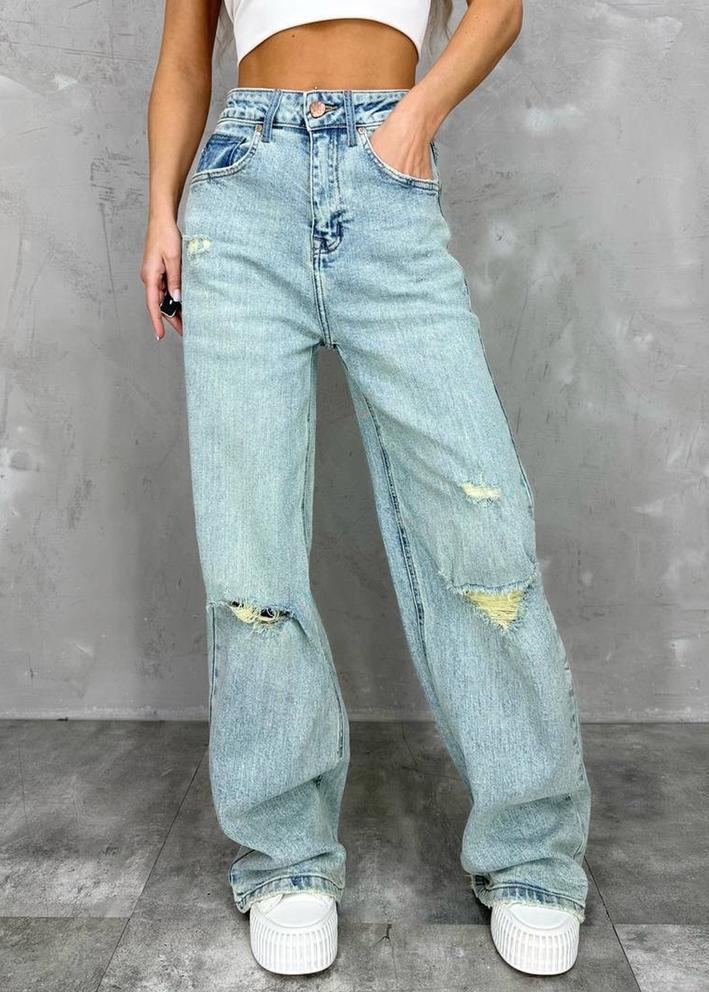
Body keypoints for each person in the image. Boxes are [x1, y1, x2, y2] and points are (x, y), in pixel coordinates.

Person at [141, 0, 592, 978]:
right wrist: (160, 212)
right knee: (249, 553)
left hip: (387, 180)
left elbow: (499, 9)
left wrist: (416, 116)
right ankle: (286, 858)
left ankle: (531, 857)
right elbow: (183, 59)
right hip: (241, 190)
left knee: (482, 535)